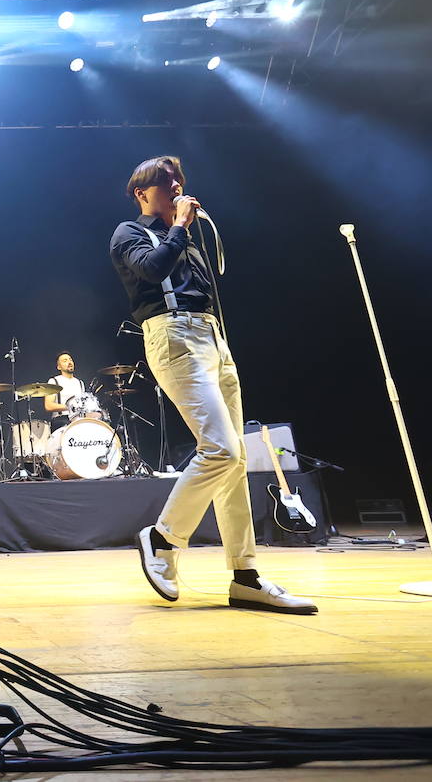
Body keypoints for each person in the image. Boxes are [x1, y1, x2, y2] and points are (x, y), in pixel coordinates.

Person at [108, 156, 316, 614]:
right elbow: (152, 270)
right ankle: (162, 538)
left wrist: (184, 231)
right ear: (143, 194)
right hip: (173, 334)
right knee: (219, 449)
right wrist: (180, 226)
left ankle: (245, 575)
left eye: (178, 180)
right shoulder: (129, 233)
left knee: (236, 460)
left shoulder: (190, 242)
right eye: (165, 183)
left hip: (213, 340)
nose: (177, 186)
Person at [42, 352, 85, 431]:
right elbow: (48, 406)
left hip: (79, 420)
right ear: (59, 367)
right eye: (65, 361)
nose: (69, 362)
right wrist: (70, 407)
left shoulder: (80, 383)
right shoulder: (54, 381)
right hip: (61, 421)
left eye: (70, 360)